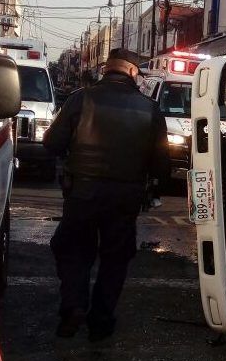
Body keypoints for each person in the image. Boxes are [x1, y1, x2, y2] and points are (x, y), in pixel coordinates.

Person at [43, 47, 168, 341]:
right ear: (133, 72)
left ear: (106, 69)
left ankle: (74, 305)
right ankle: (100, 321)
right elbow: (161, 164)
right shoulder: (150, 109)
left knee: (73, 250)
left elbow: (52, 144)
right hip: (125, 197)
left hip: (82, 193)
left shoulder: (80, 99)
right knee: (115, 258)